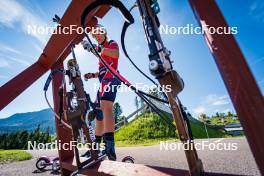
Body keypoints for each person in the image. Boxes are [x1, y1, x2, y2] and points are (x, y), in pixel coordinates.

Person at [82, 24, 120, 161]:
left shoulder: (111, 43)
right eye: (94, 36)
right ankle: (96, 148)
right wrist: (92, 75)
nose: (96, 36)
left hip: (112, 78)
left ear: (104, 31)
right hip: (103, 81)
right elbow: (102, 71)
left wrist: (96, 48)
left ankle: (110, 147)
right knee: (98, 115)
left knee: (105, 107)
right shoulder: (100, 52)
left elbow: (115, 54)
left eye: (98, 33)